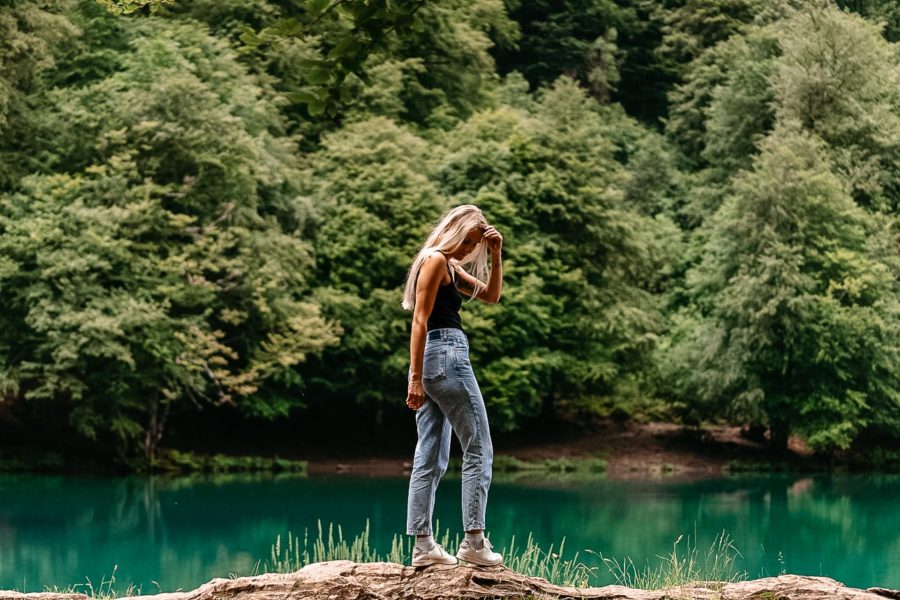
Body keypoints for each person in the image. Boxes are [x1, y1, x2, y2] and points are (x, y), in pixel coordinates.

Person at [401, 204, 504, 568]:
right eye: (469, 242)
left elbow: (491, 295)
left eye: (475, 245)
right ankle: (474, 542)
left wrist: (495, 254)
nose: (469, 250)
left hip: (434, 361)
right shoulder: (434, 260)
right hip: (446, 356)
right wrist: (414, 378)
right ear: (455, 231)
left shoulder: (449, 266)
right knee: (479, 447)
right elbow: (419, 320)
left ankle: (424, 547)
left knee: (430, 456)